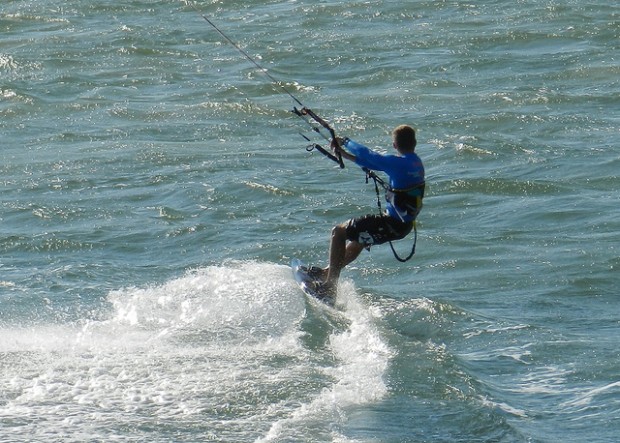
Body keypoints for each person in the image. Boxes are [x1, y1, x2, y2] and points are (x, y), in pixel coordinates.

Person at [310, 125, 425, 298]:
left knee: (338, 232)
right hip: (403, 227)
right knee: (359, 241)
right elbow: (372, 162)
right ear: (414, 143)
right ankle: (326, 273)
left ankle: (330, 286)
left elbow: (370, 156)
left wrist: (345, 141)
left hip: (390, 223)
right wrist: (346, 155)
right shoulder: (416, 163)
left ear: (394, 145)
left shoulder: (397, 163)